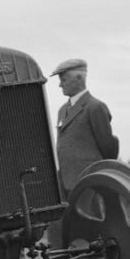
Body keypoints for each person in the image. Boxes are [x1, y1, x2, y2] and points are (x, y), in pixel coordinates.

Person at [51, 58, 119, 197]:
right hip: (64, 184)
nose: (60, 85)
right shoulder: (62, 110)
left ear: (79, 78)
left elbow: (107, 149)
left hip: (88, 185)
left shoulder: (95, 107)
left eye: (63, 80)